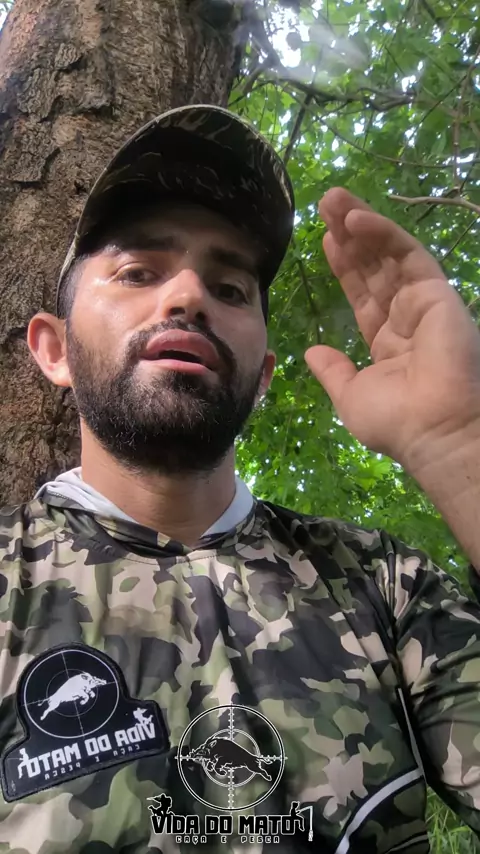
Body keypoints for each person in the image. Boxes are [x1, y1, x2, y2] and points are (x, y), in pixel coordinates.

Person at [1, 104, 480, 853]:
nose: (189, 295)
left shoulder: (385, 587)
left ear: (260, 379)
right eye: (138, 272)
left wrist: (460, 448)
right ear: (53, 350)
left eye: (229, 289)